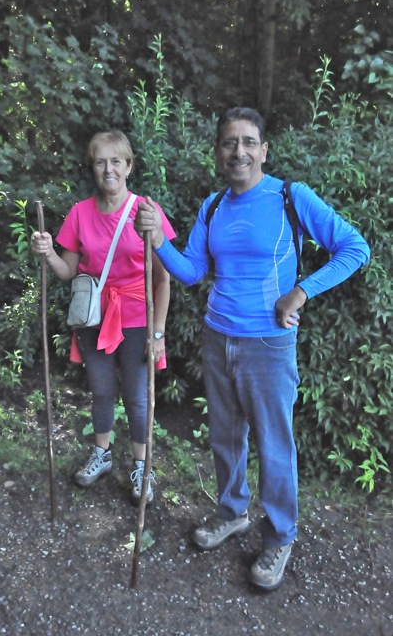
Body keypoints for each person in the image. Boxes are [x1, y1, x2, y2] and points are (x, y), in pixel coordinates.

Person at [134, 107, 370, 589]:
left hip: (269, 344)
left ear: (264, 150)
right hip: (217, 337)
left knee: (273, 443)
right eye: (229, 142)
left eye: (247, 142)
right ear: (217, 152)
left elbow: (354, 247)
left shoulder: (290, 197)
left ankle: (280, 535)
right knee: (225, 437)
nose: (238, 151)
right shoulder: (213, 206)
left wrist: (301, 291)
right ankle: (232, 511)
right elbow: (191, 272)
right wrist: (157, 240)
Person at [32, 130, 176, 505]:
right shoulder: (80, 213)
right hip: (94, 317)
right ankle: (102, 453)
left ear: (128, 166)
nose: (108, 169)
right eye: (100, 162)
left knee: (138, 397)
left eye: (115, 161)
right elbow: (69, 272)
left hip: (138, 318)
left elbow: (163, 279)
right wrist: (48, 254)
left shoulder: (146, 212)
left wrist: (158, 333)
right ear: (93, 168)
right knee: (100, 391)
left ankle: (142, 466)